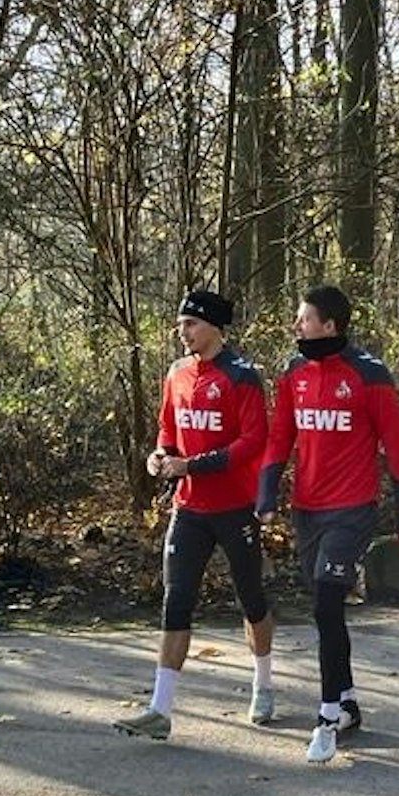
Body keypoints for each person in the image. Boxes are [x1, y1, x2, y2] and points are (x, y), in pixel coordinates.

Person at [256, 284, 399, 763]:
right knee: (326, 610)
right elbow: (279, 436)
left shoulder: (370, 375)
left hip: (353, 510)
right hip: (307, 510)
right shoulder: (293, 371)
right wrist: (266, 494)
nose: (296, 326)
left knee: (328, 604)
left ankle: (327, 717)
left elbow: (397, 444)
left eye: (303, 319)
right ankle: (346, 700)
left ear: (329, 325)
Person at [113, 289, 276, 741]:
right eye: (180, 324)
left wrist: (194, 465)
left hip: (234, 506)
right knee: (176, 598)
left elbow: (252, 443)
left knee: (251, 598)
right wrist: (160, 456)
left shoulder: (242, 377)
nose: (181, 332)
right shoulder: (176, 373)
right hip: (188, 508)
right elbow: (168, 428)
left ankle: (263, 683)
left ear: (214, 328)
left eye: (190, 324)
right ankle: (160, 709)